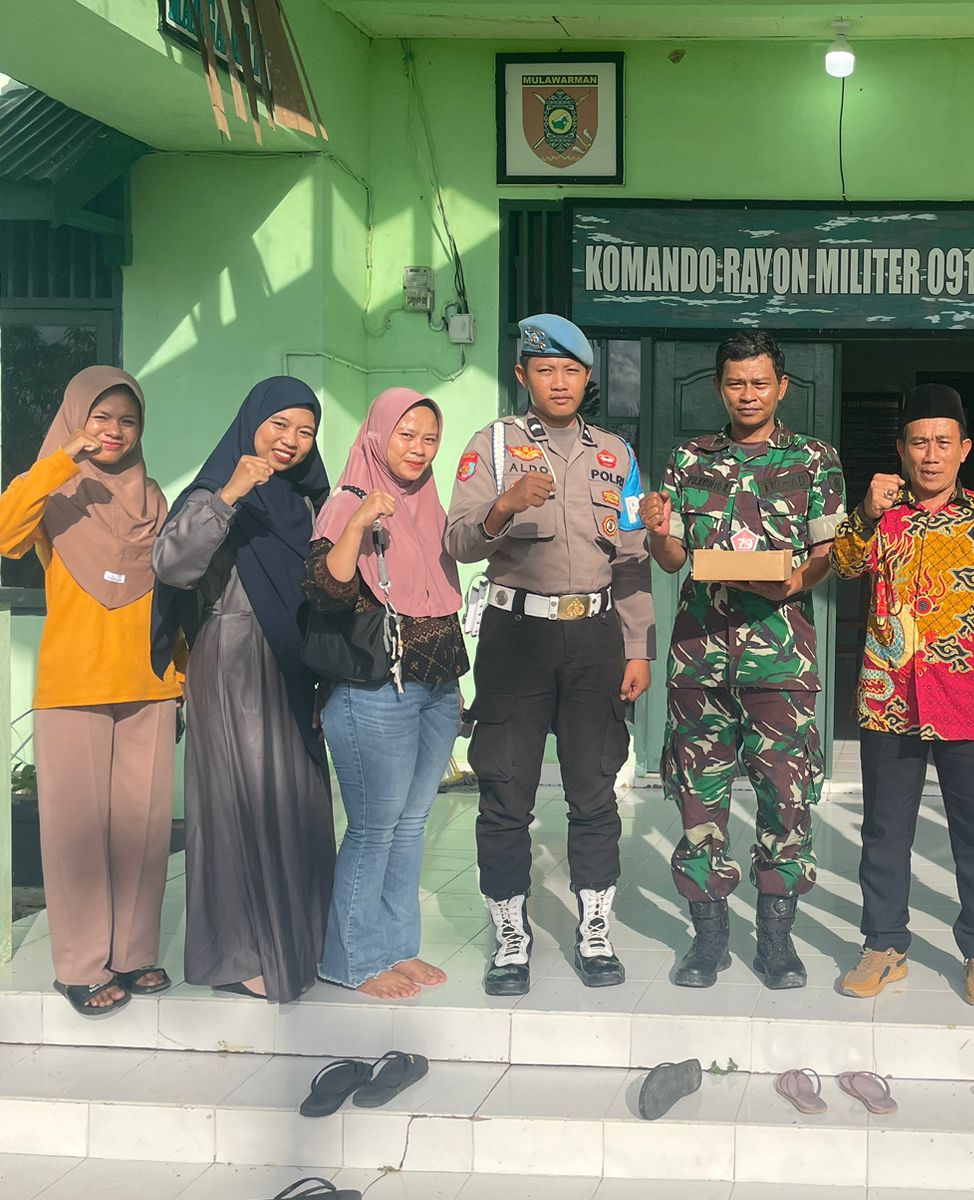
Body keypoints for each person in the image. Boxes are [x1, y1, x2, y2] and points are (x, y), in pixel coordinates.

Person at [445, 314, 652, 994]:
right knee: (505, 792)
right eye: (545, 370)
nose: (559, 382)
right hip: (516, 638)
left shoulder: (616, 455)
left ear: (587, 377)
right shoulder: (494, 445)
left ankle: (594, 928)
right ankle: (511, 934)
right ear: (522, 374)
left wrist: (638, 646)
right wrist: (502, 506)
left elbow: (631, 557)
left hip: (595, 639)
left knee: (595, 789)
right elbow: (458, 542)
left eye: (571, 370)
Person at [640, 332, 846, 991]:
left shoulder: (814, 459)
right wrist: (657, 530)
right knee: (698, 800)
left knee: (787, 799)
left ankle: (777, 943)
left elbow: (828, 553)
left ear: (781, 387)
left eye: (760, 383)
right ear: (719, 387)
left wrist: (792, 583)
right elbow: (672, 559)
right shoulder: (688, 460)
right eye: (736, 383)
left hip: (781, 662)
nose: (748, 394)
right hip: (699, 659)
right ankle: (708, 940)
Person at [831, 383, 974, 1008]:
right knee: (884, 833)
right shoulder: (882, 514)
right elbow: (844, 564)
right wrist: (864, 512)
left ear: (964, 449)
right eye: (919, 442)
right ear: (901, 449)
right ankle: (884, 945)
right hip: (889, 698)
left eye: (944, 442)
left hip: (969, 702)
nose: (931, 454)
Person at [0, 367, 182, 1016]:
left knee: (143, 828)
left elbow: (171, 592)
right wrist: (60, 459)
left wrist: (182, 673)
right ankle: (80, 966)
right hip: (74, 683)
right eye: (100, 417)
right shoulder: (54, 489)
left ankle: (132, 953)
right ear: (77, 419)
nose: (113, 431)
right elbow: (6, 535)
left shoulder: (153, 499)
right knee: (75, 830)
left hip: (149, 683)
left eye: (127, 421)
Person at [151, 377, 333, 1002]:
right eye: (279, 424)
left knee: (298, 803)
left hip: (294, 663)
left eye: (305, 430)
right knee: (238, 805)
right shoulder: (214, 489)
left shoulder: (306, 500)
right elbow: (171, 565)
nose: (291, 440)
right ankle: (237, 956)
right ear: (251, 421)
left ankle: (297, 941)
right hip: (233, 661)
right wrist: (228, 495)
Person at [305, 388, 468, 1000]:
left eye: (430, 438)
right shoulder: (348, 499)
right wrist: (358, 524)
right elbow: (326, 590)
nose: (419, 449)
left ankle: (397, 947)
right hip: (373, 689)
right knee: (375, 826)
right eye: (406, 435)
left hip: (436, 682)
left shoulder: (428, 502)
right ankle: (352, 959)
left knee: (413, 822)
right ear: (377, 434)